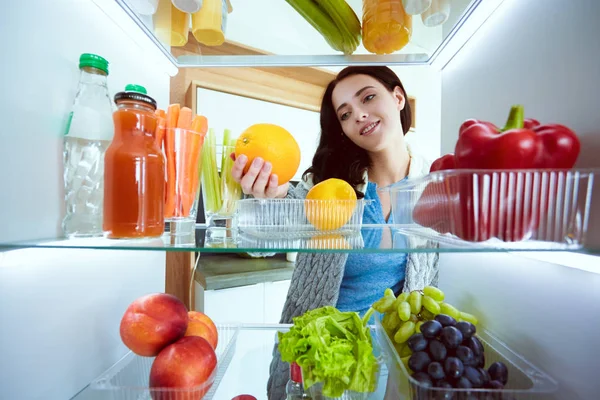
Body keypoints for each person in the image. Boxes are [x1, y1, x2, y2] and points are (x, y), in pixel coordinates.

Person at [231, 66, 439, 399]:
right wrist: (263, 199)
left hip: (396, 355)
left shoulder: (431, 183)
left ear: (397, 97)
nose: (359, 115)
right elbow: (258, 244)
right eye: (345, 114)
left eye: (368, 97)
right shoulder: (329, 185)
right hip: (324, 350)